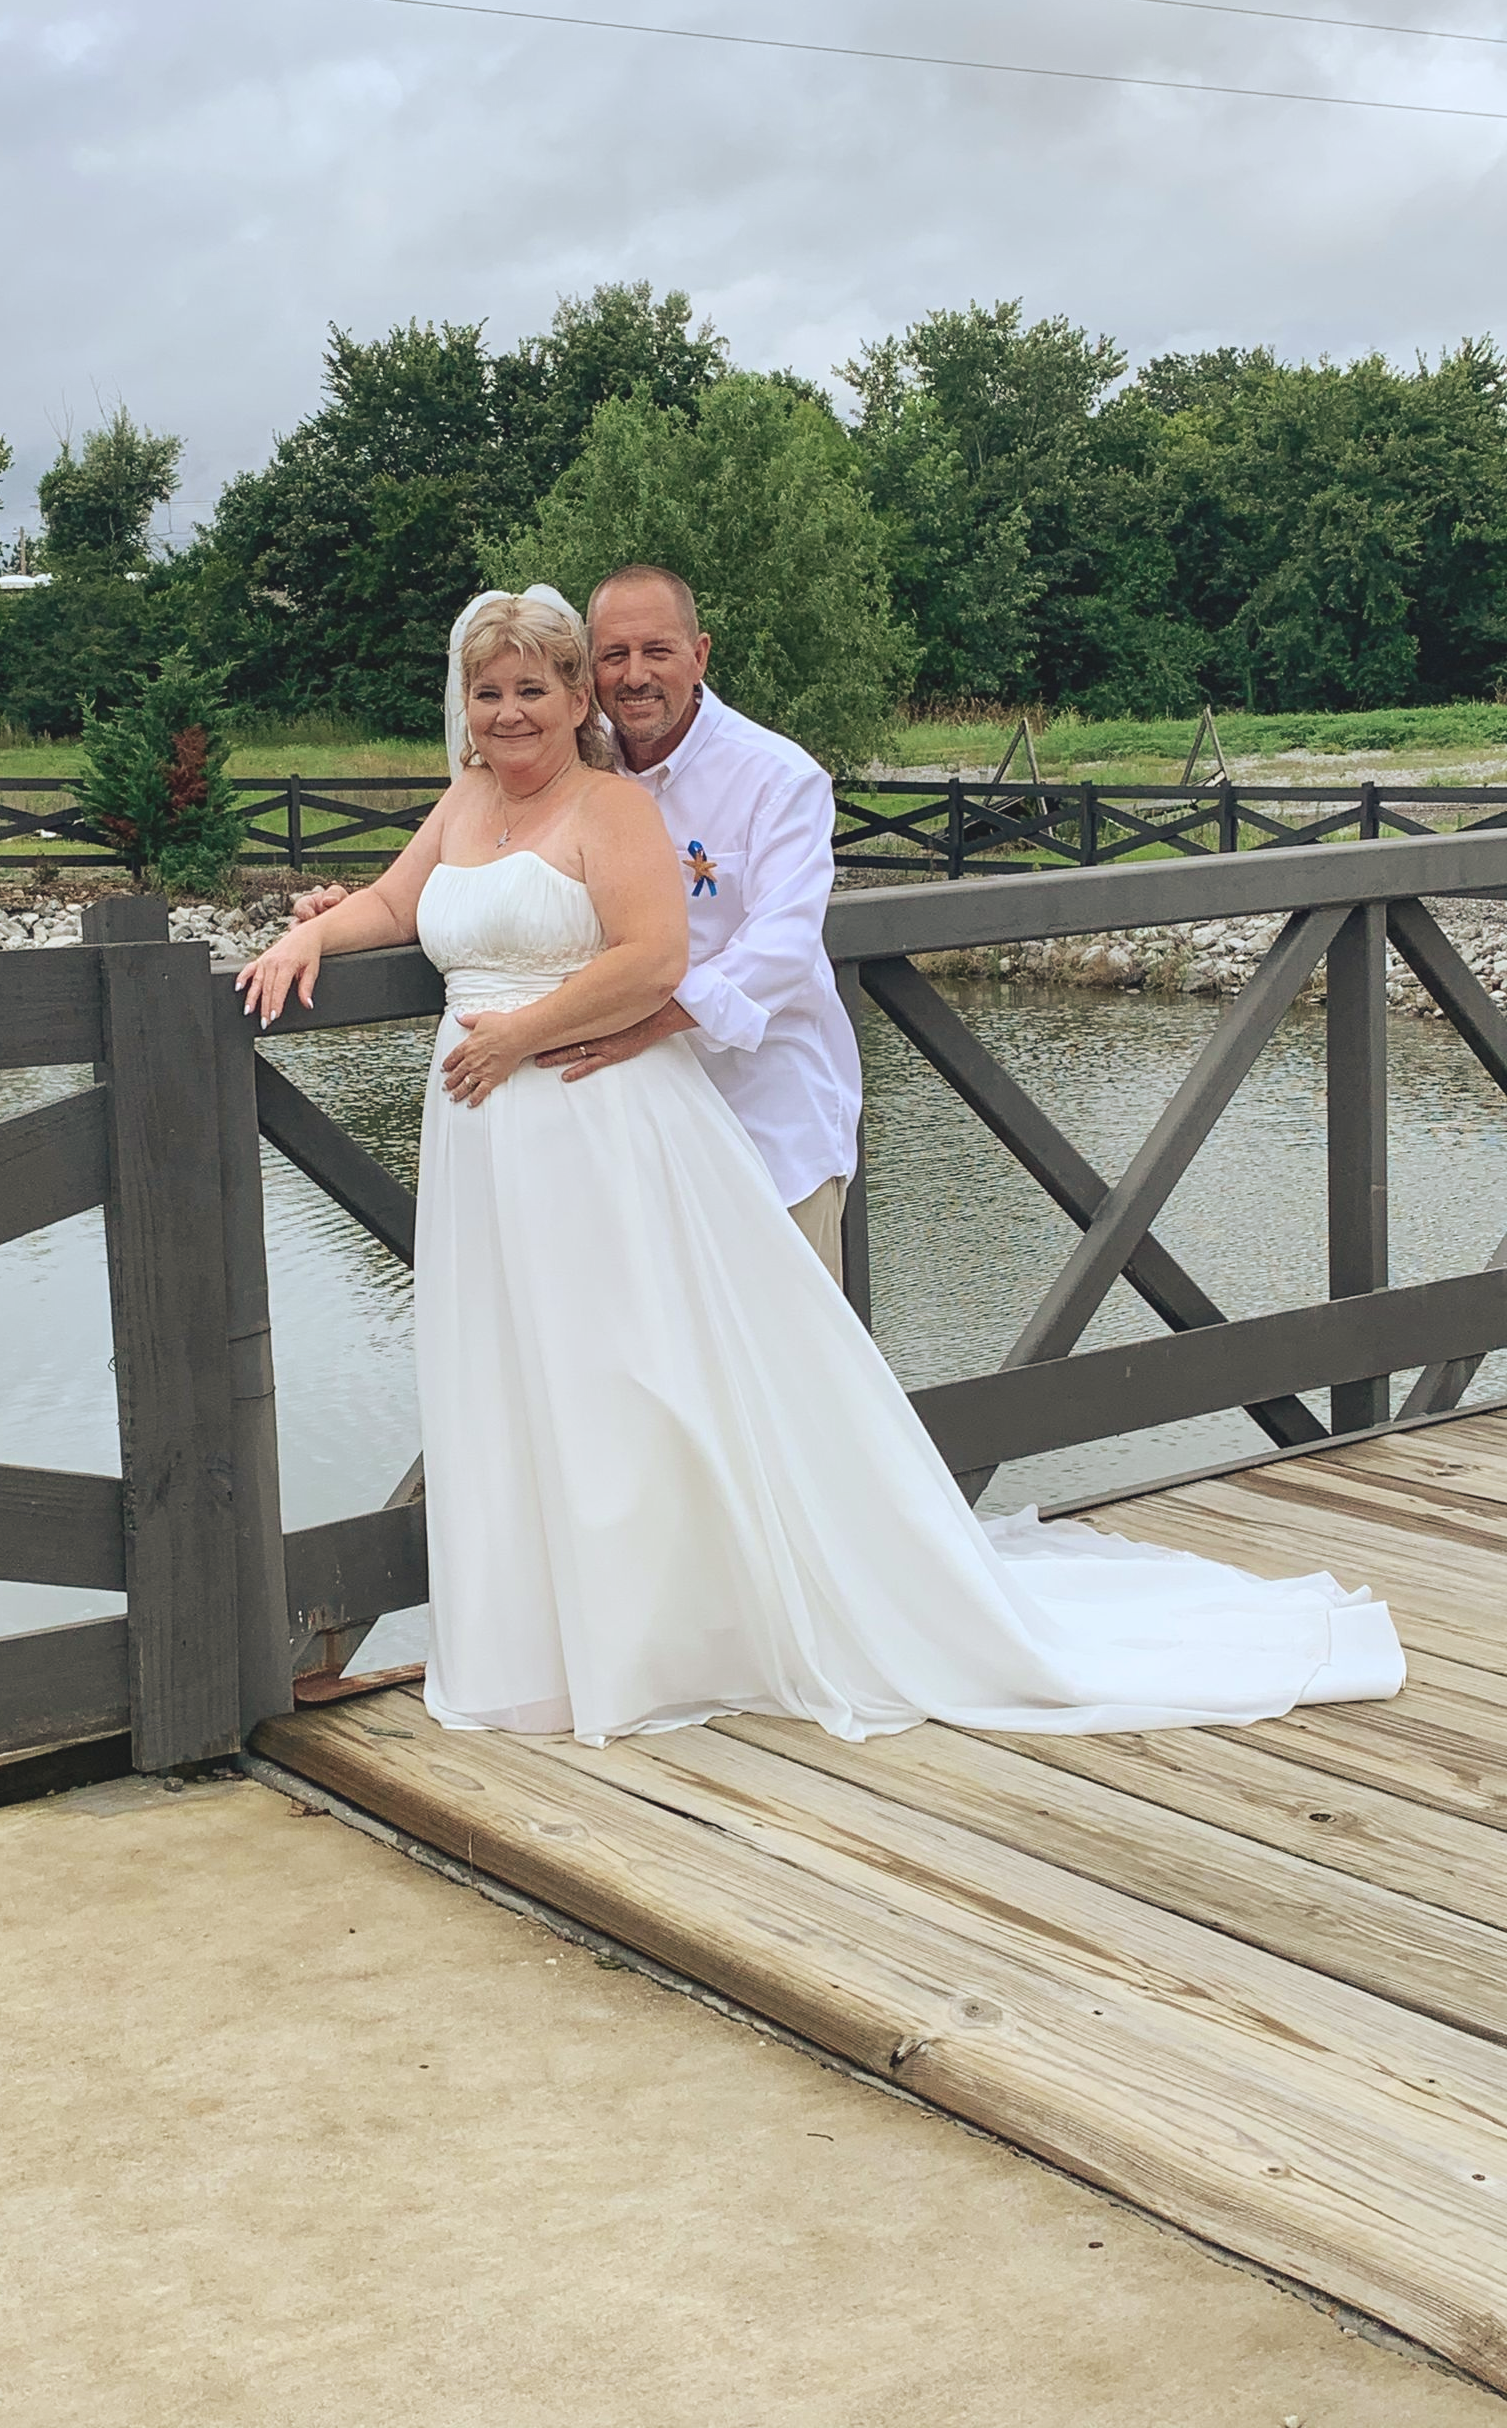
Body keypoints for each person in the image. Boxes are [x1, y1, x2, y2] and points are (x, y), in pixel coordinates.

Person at [239, 591, 1404, 1748]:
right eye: (499, 689)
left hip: (717, 1119)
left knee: (755, 1390)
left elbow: (740, 951)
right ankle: (585, 1635)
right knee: (563, 1381)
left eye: (549, 684)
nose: (520, 707)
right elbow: (408, 900)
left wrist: (553, 1030)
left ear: (672, 661)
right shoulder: (494, 795)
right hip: (520, 1144)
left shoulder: (746, 780)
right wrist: (314, 929)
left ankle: (777, 1615)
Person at [288, 566, 859, 1283]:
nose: (635, 675)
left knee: (778, 1362)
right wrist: (332, 918)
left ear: (701, 654)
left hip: (761, 1114)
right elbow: (467, 884)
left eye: (657, 651)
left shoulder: (778, 778)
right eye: (614, 655)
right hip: (614, 1132)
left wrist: (641, 1023)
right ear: (589, 673)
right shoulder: (568, 762)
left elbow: (782, 948)